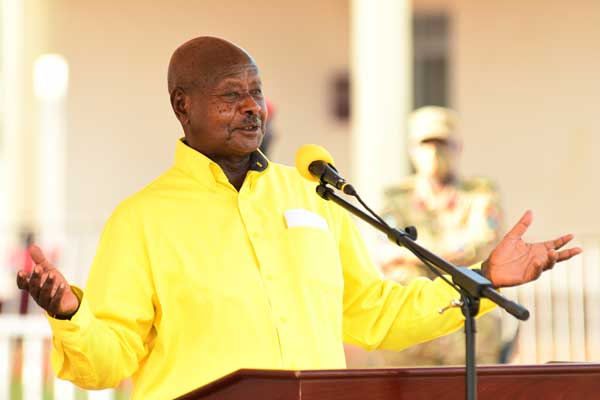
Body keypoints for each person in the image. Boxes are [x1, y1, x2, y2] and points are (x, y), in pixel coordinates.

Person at [16, 37, 581, 400]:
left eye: (256, 93)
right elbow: (107, 362)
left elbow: (374, 314)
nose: (251, 107)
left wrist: (483, 277)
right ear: (182, 105)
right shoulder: (141, 219)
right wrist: (70, 313)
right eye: (230, 95)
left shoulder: (314, 195)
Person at [375, 106, 504, 365]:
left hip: (467, 324)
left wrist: (415, 254)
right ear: (412, 149)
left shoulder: (479, 195)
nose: (434, 153)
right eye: (426, 144)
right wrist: (448, 254)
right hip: (412, 326)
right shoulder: (396, 198)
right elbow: (386, 252)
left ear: (458, 147)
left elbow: (481, 244)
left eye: (442, 144)